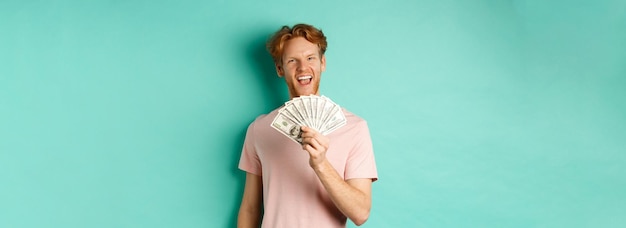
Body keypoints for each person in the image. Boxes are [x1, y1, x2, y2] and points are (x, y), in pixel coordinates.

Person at [237, 23, 378, 228]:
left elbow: (360, 213)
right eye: (293, 61)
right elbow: (250, 208)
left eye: (310, 58)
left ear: (322, 63)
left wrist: (321, 164)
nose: (303, 68)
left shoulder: (355, 128)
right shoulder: (259, 129)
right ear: (280, 69)